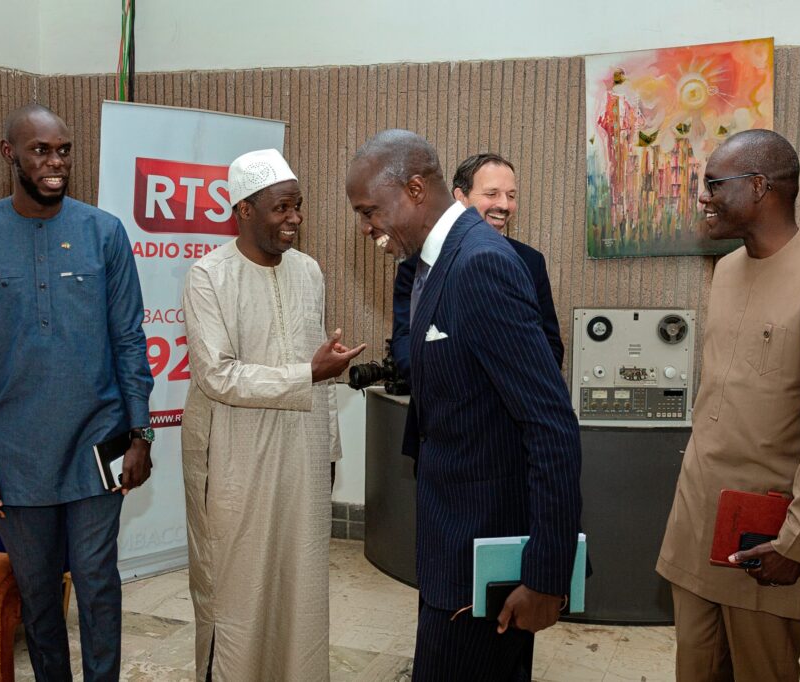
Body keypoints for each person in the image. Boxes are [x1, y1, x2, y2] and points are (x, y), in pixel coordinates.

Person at [345, 130, 582, 681]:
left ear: (414, 189)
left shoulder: (480, 264)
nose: (366, 227)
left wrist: (546, 576)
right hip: (451, 547)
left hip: (485, 552)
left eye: (370, 211)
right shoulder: (431, 264)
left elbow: (550, 425)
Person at [0, 104, 154, 681]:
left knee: (97, 583)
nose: (55, 162)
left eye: (63, 150)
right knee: (37, 595)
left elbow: (129, 340)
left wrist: (141, 433)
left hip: (98, 442)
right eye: (40, 151)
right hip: (14, 453)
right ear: (10, 154)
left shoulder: (104, 233)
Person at [656, 129, 800, 681]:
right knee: (695, 668)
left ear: (758, 187)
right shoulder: (725, 270)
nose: (703, 197)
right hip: (698, 519)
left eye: (713, 184)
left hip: (767, 534)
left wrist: (797, 541)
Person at [181, 148, 365, 681]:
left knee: (299, 583)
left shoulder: (309, 271)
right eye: (282, 207)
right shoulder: (208, 276)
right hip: (234, 460)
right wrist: (307, 373)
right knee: (235, 588)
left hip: (302, 456)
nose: (295, 218)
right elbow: (217, 375)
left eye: (298, 206)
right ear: (243, 209)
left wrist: (328, 451)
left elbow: (319, 364)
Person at [391, 153, 564, 383]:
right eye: (492, 194)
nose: (504, 205)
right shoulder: (420, 263)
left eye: (511, 195)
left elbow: (550, 346)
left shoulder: (531, 262)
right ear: (460, 197)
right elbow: (406, 341)